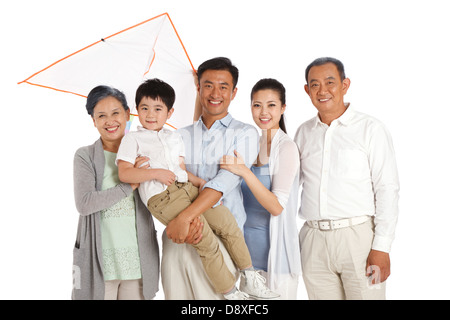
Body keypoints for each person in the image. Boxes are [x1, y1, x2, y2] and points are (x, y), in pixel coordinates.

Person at [116, 78, 279, 300]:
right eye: (144, 108)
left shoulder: (174, 137)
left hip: (186, 188)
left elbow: (180, 169)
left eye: (158, 109)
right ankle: (230, 291)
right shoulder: (132, 139)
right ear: (137, 110)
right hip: (162, 198)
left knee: (226, 220)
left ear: (169, 112)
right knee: (204, 237)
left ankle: (249, 276)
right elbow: (125, 173)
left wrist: (201, 183)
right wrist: (154, 173)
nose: (151, 115)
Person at [160, 57, 276, 299]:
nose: (215, 93)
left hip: (221, 241)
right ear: (198, 88)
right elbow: (169, 183)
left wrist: (185, 217)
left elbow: (224, 182)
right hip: (179, 239)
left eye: (223, 86)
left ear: (234, 93)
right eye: (208, 85)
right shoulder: (179, 136)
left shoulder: (245, 134)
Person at [294, 57, 400, 300]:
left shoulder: (370, 129)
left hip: (359, 239)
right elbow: (287, 186)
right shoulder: (303, 133)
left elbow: (387, 188)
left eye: (330, 82)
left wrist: (381, 247)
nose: (322, 90)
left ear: (345, 84)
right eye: (314, 84)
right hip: (313, 241)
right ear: (306, 90)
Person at [72, 85, 161, 300]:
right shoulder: (85, 156)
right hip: (99, 261)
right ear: (93, 120)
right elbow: (85, 203)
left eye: (116, 113)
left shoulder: (144, 152)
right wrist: (130, 184)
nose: (110, 121)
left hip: (138, 262)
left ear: (128, 114)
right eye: (101, 115)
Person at [220, 78, 301, 299]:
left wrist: (245, 171)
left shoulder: (287, 148)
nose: (263, 112)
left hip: (274, 260)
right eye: (257, 105)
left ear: (283, 108)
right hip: (244, 260)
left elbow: (276, 207)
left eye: (271, 105)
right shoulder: (249, 142)